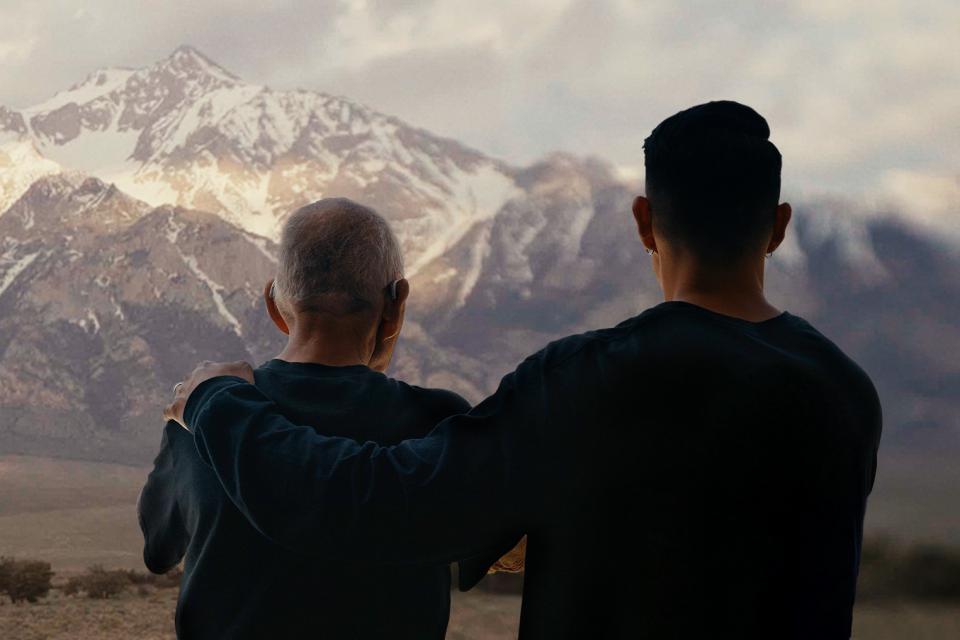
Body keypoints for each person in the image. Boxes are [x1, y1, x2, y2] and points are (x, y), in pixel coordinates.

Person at [165, 102, 882, 639]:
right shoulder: (845, 392)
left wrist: (216, 398)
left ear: (642, 221)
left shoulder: (587, 380)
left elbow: (360, 506)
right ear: (779, 226)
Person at [139, 198, 512, 639]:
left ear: (274, 302)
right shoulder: (439, 419)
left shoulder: (197, 416)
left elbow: (160, 550)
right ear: (397, 302)